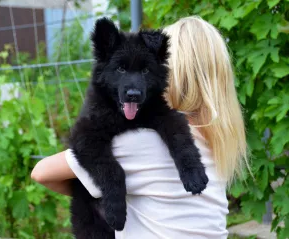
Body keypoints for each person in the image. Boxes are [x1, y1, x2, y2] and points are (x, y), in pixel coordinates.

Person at [31, 16, 248, 239]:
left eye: (146, 70)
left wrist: (99, 188)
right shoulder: (216, 140)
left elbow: (42, 172)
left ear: (169, 73)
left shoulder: (139, 142)